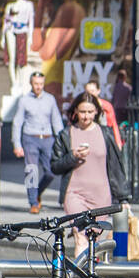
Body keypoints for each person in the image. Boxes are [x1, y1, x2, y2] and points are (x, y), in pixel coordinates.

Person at [50, 92, 129, 260]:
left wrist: (123, 198)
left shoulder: (105, 133)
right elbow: (55, 166)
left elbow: (116, 167)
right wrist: (72, 157)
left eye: (90, 112)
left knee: (95, 240)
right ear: (75, 111)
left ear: (96, 112)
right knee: (81, 238)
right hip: (74, 193)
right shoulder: (65, 134)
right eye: (82, 112)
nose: (86, 116)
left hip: (100, 195)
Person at [11, 70, 64, 213]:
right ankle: (33, 202)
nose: (38, 86)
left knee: (51, 172)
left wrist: (63, 141)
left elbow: (56, 121)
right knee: (31, 171)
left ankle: (37, 192)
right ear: (31, 83)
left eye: (41, 84)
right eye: (36, 84)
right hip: (30, 138)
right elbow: (17, 123)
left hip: (48, 139)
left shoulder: (50, 99)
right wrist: (17, 144)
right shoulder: (24, 100)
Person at [82, 77, 123, 149]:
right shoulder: (81, 106)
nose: (90, 94)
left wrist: (118, 143)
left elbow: (113, 125)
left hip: (103, 140)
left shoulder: (106, 106)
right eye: (87, 92)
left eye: (92, 91)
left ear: (98, 91)